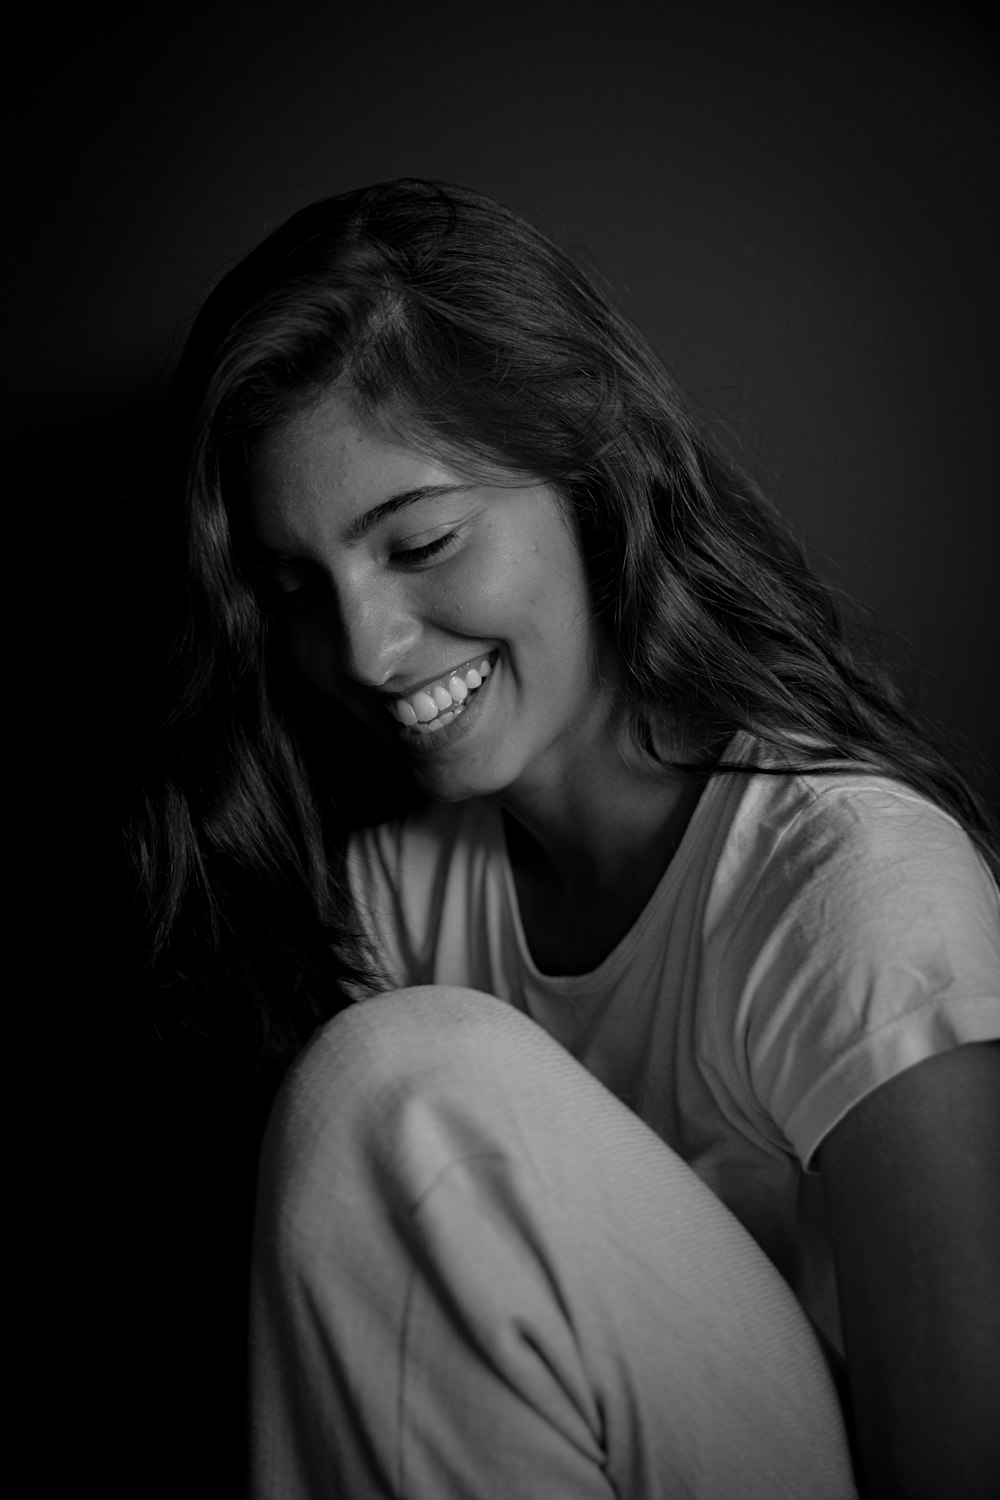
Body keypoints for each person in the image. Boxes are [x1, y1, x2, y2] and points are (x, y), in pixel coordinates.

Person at [135, 178, 1000, 1498]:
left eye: (419, 543)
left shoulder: (854, 887)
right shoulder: (397, 898)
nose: (362, 652)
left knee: (411, 1089)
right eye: (299, 588)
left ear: (587, 482)